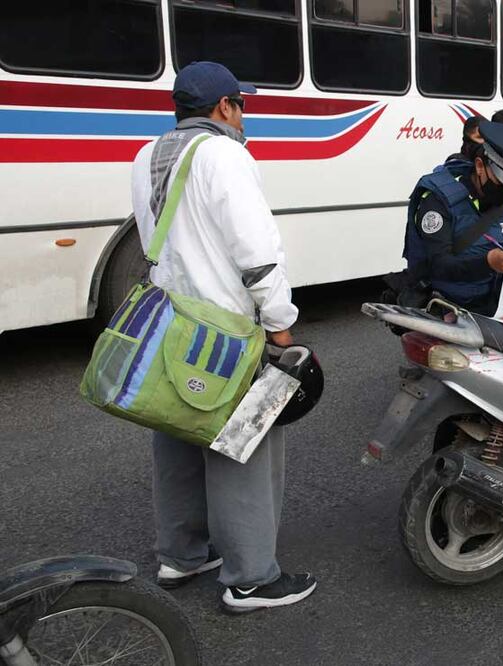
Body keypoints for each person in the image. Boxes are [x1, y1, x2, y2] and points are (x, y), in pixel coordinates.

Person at [130, 61, 316, 613]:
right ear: (225, 108)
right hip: (226, 331)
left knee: (178, 433)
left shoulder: (147, 156)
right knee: (244, 447)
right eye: (243, 107)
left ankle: (182, 555)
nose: (245, 118)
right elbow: (256, 250)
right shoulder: (225, 154)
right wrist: (280, 323)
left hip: (171, 321)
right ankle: (251, 578)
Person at [404, 120, 503, 319]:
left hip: (495, 315)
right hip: (446, 312)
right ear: (480, 166)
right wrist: (487, 262)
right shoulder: (440, 200)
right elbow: (439, 265)